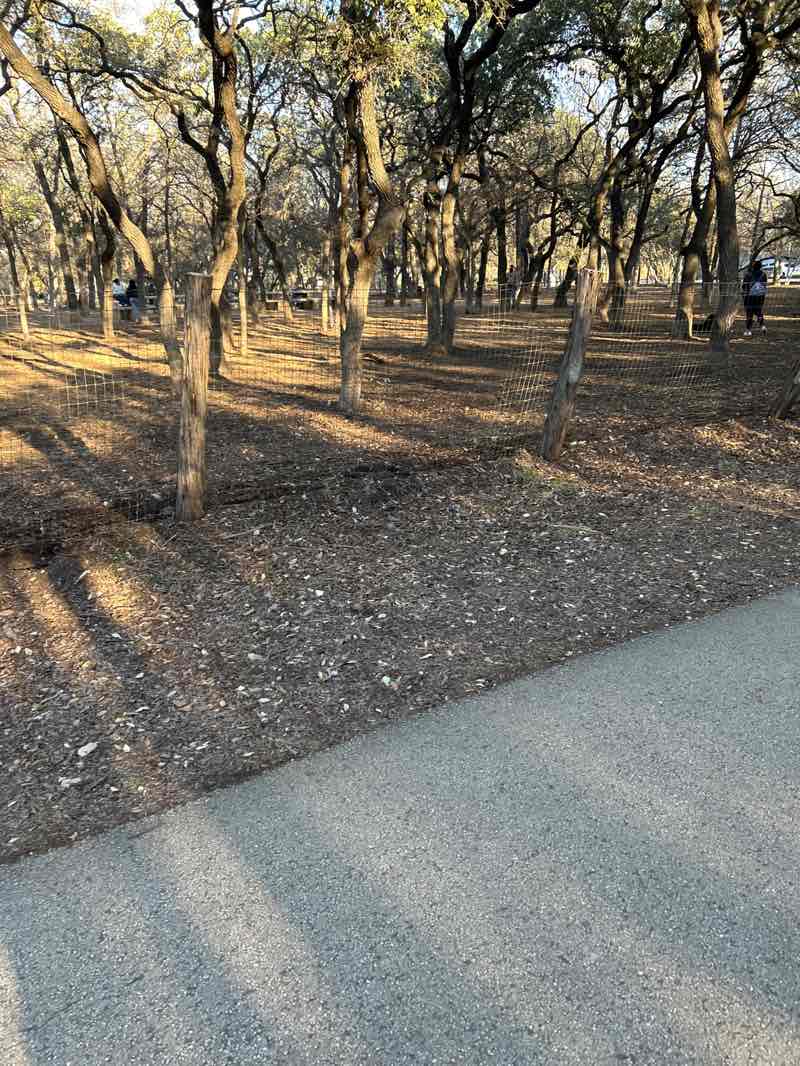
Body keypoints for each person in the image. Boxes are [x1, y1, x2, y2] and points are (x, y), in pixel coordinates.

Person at [741, 259, 768, 337]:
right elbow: (764, 285)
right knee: (758, 311)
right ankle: (762, 326)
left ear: (753, 266)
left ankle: (748, 330)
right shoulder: (764, 275)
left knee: (749, 313)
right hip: (760, 296)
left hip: (750, 296)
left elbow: (744, 286)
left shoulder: (748, 275)